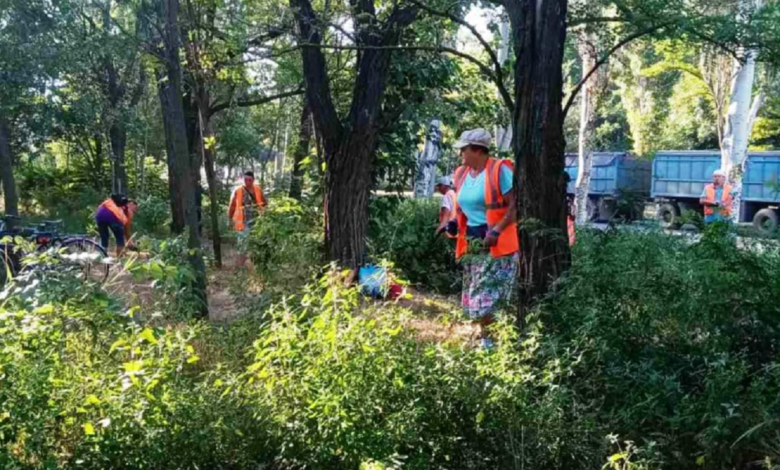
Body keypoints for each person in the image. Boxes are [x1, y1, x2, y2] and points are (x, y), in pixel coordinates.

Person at [449, 129, 519, 349]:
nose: (461, 153)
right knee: (475, 294)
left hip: (498, 244)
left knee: (488, 296)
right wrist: (452, 223)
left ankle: (491, 343)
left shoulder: (499, 169)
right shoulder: (462, 173)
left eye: (464, 149)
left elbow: (516, 205)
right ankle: (484, 337)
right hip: (472, 242)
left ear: (478, 150)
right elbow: (460, 206)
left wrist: (497, 230)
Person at [228, 170, 267, 266]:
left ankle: (255, 266)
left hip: (256, 222)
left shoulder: (258, 190)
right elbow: (232, 206)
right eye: (245, 179)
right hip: (242, 222)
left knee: (255, 244)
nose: (247, 182)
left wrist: (265, 215)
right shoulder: (238, 191)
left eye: (249, 180)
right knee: (242, 245)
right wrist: (229, 219)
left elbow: (265, 203)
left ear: (253, 180)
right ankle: (239, 266)